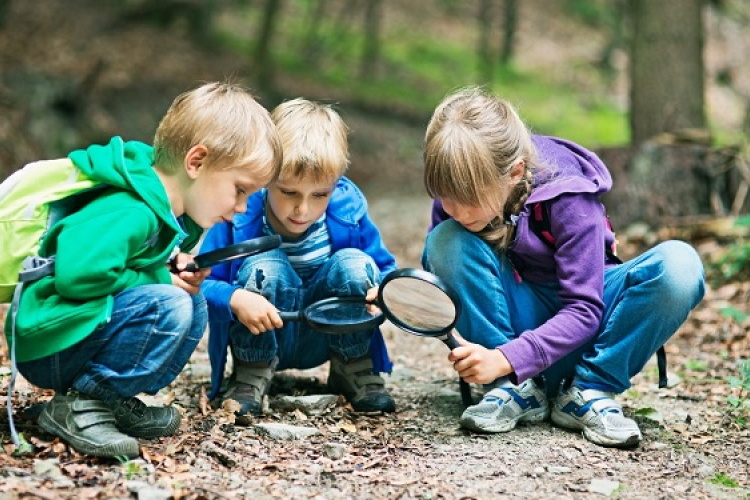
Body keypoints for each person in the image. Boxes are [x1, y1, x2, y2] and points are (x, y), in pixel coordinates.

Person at [5, 82, 282, 458]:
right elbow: (78, 275)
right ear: (196, 162)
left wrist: (168, 268)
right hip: (49, 340)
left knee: (191, 301)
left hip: (72, 332)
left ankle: (105, 400)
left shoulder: (158, 209)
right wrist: (158, 278)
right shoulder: (131, 209)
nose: (243, 208)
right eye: (240, 190)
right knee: (170, 304)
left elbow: (128, 265)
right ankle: (80, 404)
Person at [421, 87, 705, 448]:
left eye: (469, 200)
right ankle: (512, 391)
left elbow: (585, 310)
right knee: (446, 239)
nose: (456, 211)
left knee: (680, 265)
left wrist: (507, 358)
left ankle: (589, 391)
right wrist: (402, 295)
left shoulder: (568, 196)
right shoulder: (457, 202)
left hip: (587, 334)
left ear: (514, 172)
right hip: (512, 334)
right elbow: (447, 279)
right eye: (446, 197)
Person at [201, 98, 397, 420]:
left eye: (319, 195)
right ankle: (252, 372)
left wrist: (384, 292)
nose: (302, 210)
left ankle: (352, 365)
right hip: (263, 331)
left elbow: (386, 270)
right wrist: (235, 298)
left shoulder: (348, 212)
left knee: (355, 263)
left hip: (327, 332)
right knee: (266, 266)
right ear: (266, 178)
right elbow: (203, 284)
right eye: (288, 192)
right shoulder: (239, 216)